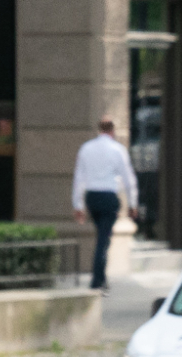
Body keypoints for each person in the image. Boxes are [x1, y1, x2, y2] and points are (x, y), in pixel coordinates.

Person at [72, 119, 139, 291]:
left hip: (92, 197)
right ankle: (97, 279)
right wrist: (133, 203)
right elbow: (128, 178)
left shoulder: (86, 148)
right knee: (103, 239)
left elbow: (79, 178)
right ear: (113, 130)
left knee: (102, 236)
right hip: (109, 197)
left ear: (99, 129)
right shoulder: (118, 150)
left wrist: (78, 204)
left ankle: (101, 278)